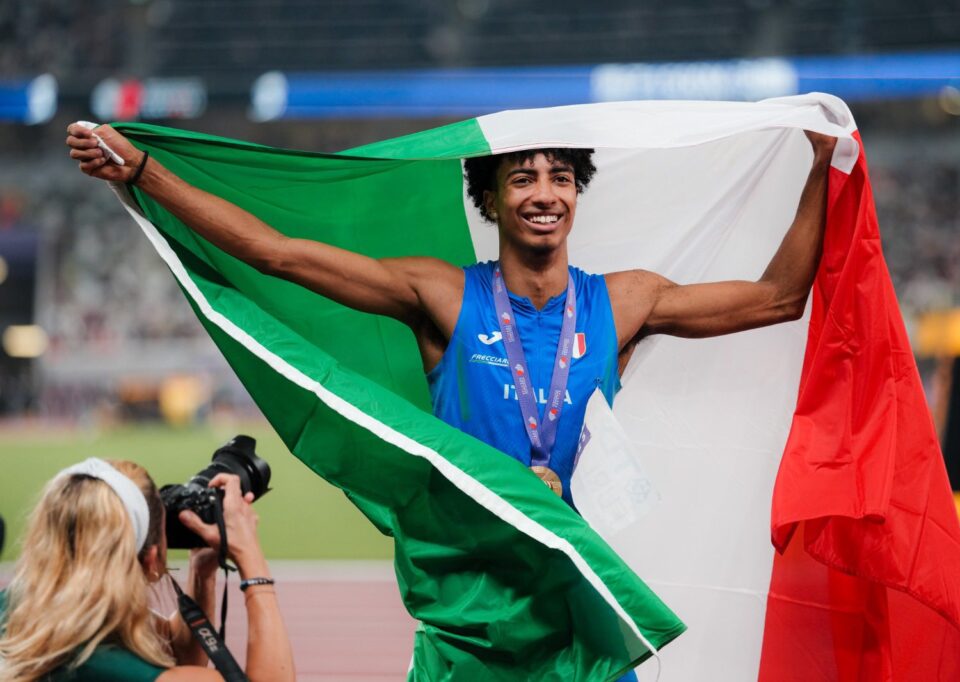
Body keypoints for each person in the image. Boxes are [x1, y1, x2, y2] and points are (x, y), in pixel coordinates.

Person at [67, 123, 835, 677]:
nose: (544, 194)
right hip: (469, 624)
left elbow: (777, 298)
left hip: (575, 617)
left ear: (577, 194)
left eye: (560, 177)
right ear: (492, 199)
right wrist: (145, 175)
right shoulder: (441, 294)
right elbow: (279, 253)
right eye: (523, 178)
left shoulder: (624, 303)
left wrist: (821, 166)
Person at [0, 458, 295, 682]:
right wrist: (250, 555)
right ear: (151, 561)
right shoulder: (111, 668)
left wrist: (201, 573)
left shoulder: (16, 607)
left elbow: (178, 652)